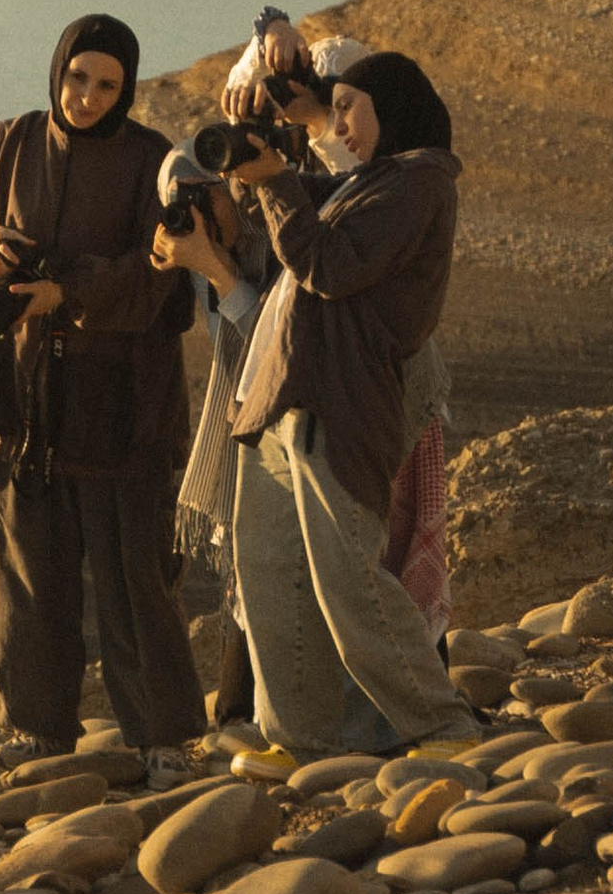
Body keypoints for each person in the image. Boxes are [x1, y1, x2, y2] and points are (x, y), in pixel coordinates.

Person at [158, 50, 474, 758]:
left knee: (347, 577)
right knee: (275, 574)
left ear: (391, 109)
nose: (339, 126)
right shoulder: (373, 180)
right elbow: (316, 217)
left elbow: (329, 266)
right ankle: (300, 739)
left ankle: (442, 724)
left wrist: (273, 181)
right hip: (283, 399)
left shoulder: (422, 182)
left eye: (349, 110)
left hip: (341, 396)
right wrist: (260, 169)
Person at [0, 14, 204, 766]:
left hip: (120, 402)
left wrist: (68, 292)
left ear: (125, 91)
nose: (86, 97)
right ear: (57, 70)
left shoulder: (149, 160)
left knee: (134, 577)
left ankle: (164, 739)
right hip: (19, 396)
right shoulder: (11, 142)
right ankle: (34, 731)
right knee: (26, 570)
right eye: (76, 78)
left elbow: (162, 276)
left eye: (106, 86)